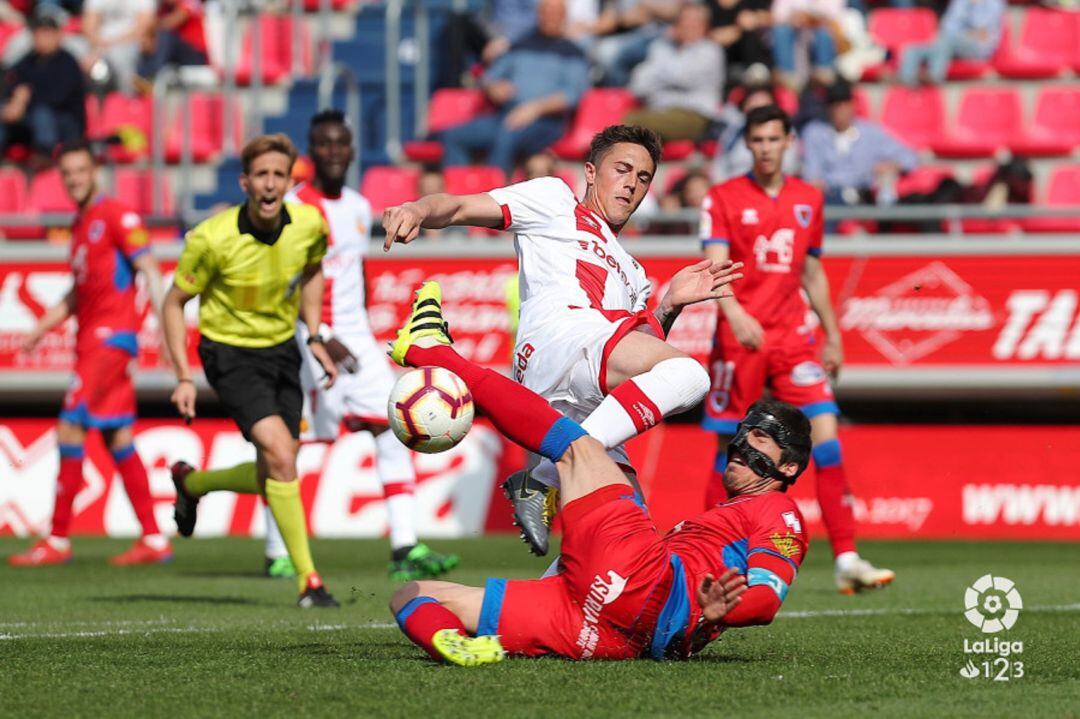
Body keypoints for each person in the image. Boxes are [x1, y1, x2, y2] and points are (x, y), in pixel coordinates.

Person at [386, 284, 809, 664]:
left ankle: (429, 351)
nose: (740, 446)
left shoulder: (779, 509)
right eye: (741, 433)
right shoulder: (729, 516)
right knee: (413, 594)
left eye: (759, 438)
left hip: (647, 589)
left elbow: (767, 598)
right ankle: (449, 641)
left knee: (576, 446)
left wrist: (726, 611)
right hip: (609, 629)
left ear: (788, 466)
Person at [382, 124, 742, 557]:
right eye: (622, 170)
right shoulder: (554, 200)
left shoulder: (634, 272)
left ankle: (509, 615)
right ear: (590, 171)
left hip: (582, 393)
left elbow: (634, 357)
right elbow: (458, 207)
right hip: (559, 339)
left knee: (628, 549)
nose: (631, 185)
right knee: (689, 374)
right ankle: (545, 478)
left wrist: (669, 306)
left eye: (643, 178)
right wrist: (418, 209)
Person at [254, 111, 458, 581]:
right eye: (323, 144)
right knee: (293, 441)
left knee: (393, 425)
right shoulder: (294, 208)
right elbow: (284, 279)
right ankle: (275, 549)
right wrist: (319, 334)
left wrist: (361, 329)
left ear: (350, 150)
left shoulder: (359, 206)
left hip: (357, 338)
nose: (333, 152)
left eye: (340, 144)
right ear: (312, 149)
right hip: (312, 340)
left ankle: (405, 545)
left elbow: (357, 271)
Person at [699, 104, 894, 595]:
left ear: (789, 142)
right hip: (739, 338)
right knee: (731, 450)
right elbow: (715, 268)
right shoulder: (722, 197)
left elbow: (811, 273)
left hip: (792, 338)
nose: (765, 148)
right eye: (757, 140)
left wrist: (832, 332)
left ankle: (847, 557)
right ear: (748, 144)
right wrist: (736, 314)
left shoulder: (809, 198)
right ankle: (704, 554)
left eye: (773, 139)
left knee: (826, 439)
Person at [161, 134, 340, 608]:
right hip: (230, 354)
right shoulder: (211, 237)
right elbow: (174, 303)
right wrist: (184, 375)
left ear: (289, 181)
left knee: (277, 467)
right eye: (261, 174)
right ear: (245, 181)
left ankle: (191, 484)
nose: (269, 184)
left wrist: (316, 334)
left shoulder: (309, 225)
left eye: (278, 175)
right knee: (282, 454)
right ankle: (309, 581)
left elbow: (313, 270)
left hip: (284, 350)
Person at [8, 140, 171, 567]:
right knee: (118, 436)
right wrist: (41, 329)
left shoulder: (117, 216)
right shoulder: (80, 225)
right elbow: (79, 295)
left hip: (109, 341)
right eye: (67, 174)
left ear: (95, 171)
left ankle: (58, 539)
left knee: (69, 429)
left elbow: (150, 269)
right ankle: (154, 540)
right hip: (92, 340)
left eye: (81, 170)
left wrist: (167, 333)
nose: (74, 179)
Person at [440, 0, 590, 176]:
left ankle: (491, 195)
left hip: (546, 122)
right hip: (506, 115)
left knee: (507, 135)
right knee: (454, 136)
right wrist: (493, 87)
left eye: (555, 12)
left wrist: (533, 109)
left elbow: (572, 95)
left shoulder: (572, 52)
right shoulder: (521, 45)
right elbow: (489, 77)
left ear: (564, 16)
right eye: (545, 11)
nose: (549, 17)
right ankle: (458, 192)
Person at [801, 82, 917, 211]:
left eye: (844, 104)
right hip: (831, 198)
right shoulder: (815, 133)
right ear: (827, 107)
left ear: (852, 105)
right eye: (834, 105)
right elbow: (812, 175)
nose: (839, 109)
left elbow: (910, 157)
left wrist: (893, 165)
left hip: (864, 199)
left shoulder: (870, 133)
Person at [623, 3, 723, 143]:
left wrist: (657, 71)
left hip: (694, 115)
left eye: (694, 21)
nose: (688, 25)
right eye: (684, 20)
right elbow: (639, 85)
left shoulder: (710, 51)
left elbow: (681, 76)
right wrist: (664, 71)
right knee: (628, 121)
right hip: (660, 111)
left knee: (631, 123)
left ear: (704, 26)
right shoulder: (662, 47)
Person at [0, 7, 86, 164]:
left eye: (47, 32)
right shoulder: (27, 62)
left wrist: (23, 101)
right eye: (39, 32)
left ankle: (45, 155)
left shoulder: (68, 62)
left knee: (42, 114)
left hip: (65, 124)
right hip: (31, 119)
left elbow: (58, 98)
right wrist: (12, 105)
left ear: (58, 35)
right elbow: (12, 84)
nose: (42, 37)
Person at [898, 0, 1005, 86]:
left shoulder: (994, 2)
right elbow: (947, 26)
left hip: (979, 48)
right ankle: (907, 79)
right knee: (912, 49)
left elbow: (983, 31)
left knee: (947, 41)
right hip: (952, 45)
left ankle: (935, 76)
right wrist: (966, 32)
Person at [710, 83, 800, 182]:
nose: (758, 110)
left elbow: (790, 166)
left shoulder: (784, 129)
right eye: (753, 104)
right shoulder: (734, 131)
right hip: (734, 189)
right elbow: (719, 165)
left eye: (763, 105)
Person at [82, 0, 154, 93]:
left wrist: (108, 47)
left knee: (121, 57)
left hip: (129, 44)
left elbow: (144, 26)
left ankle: (127, 100)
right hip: (99, 45)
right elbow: (89, 26)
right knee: (72, 49)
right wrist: (96, 49)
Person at [770, 0, 844, 89]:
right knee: (781, 31)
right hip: (794, 32)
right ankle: (787, 77)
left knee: (824, 34)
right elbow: (776, 15)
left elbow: (834, 16)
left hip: (819, 32)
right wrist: (792, 19)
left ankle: (824, 74)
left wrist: (810, 18)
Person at [136, 0, 209, 84]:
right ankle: (141, 78)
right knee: (147, 41)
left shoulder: (189, 1)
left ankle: (153, 76)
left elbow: (175, 20)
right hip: (177, 55)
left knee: (165, 36)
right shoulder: (165, 8)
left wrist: (152, 26)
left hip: (197, 54)